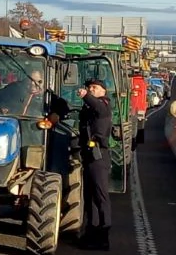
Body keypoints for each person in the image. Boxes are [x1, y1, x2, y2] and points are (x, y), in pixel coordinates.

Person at [77, 78, 113, 250]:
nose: (91, 89)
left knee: (101, 196)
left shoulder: (104, 105)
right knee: (89, 197)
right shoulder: (90, 109)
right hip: (89, 156)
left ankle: (103, 237)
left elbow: (98, 107)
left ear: (103, 91)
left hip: (99, 156)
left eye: (95, 87)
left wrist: (85, 96)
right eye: (89, 87)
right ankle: (90, 232)